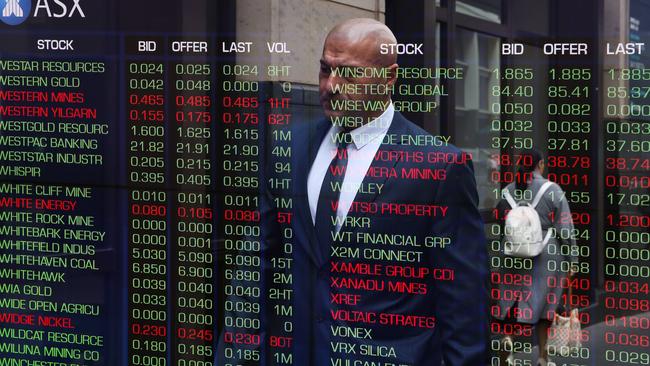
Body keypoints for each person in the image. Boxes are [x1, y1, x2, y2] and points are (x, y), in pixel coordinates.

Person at [259, 18, 489, 366]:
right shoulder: (289, 147)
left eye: (349, 74)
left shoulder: (440, 167)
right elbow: (256, 261)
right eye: (325, 69)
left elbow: (463, 304)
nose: (331, 86)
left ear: (390, 77)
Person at [493, 149, 578, 366]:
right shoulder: (552, 190)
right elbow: (566, 230)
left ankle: (508, 341)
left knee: (512, 302)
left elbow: (500, 222)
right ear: (540, 165)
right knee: (545, 306)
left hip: (512, 253)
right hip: (545, 255)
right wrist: (573, 261)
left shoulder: (508, 191)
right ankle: (542, 357)